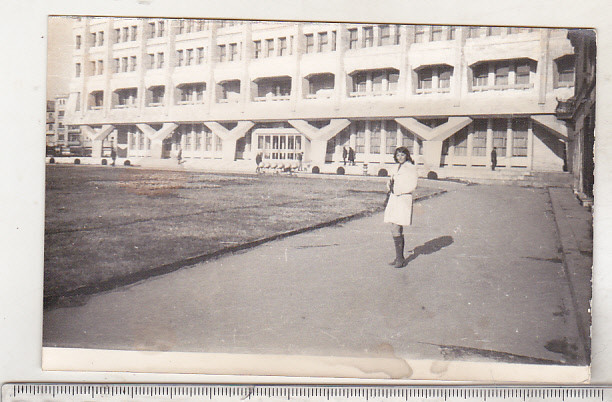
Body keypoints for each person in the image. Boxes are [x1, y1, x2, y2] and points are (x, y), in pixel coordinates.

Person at [384, 146, 418, 268]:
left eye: (402, 155)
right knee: (394, 226)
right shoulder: (395, 167)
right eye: (398, 155)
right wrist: (389, 186)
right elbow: (390, 181)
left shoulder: (411, 168)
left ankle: (400, 258)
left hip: (403, 199)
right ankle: (400, 257)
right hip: (394, 199)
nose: (400, 157)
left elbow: (413, 185)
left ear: (407, 155)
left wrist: (399, 190)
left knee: (396, 228)